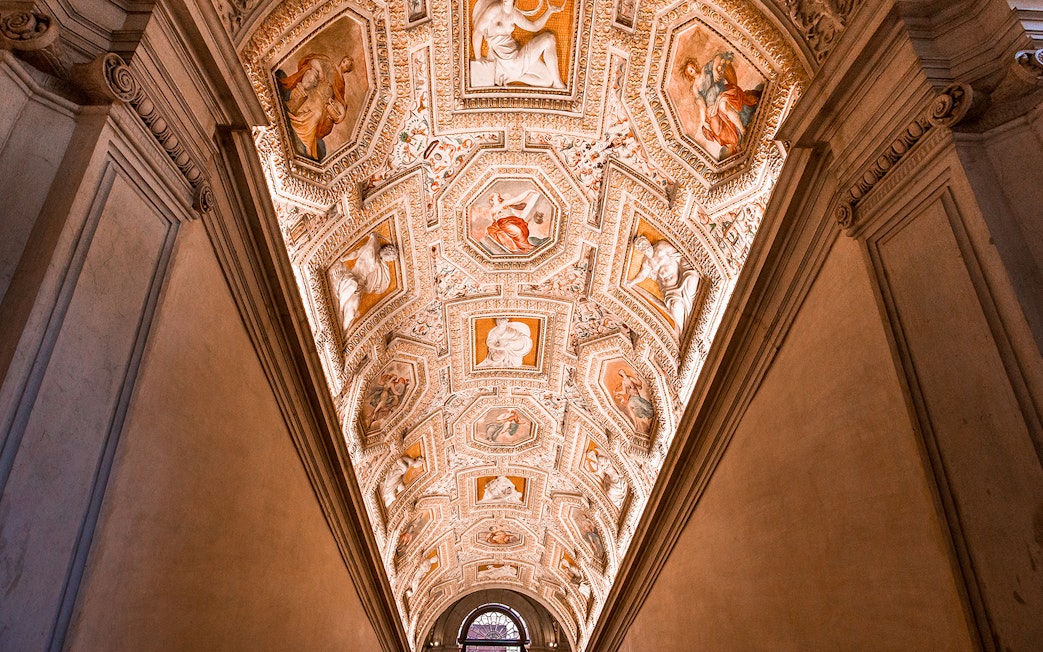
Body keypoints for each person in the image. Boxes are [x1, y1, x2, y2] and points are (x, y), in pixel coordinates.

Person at [681, 52, 762, 158]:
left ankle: (742, 129)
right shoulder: (695, 87)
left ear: (695, 64)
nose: (694, 69)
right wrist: (703, 121)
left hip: (722, 92)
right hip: (710, 104)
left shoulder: (706, 69)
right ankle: (734, 142)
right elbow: (701, 105)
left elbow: (718, 57)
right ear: (690, 75)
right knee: (716, 128)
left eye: (693, 66)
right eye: (691, 71)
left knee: (723, 107)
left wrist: (714, 69)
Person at [471, 0, 566, 88]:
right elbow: (478, 30)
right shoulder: (495, 8)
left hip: (515, 56)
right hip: (506, 59)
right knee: (549, 39)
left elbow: (534, 27)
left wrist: (549, 11)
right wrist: (478, 57)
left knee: (547, 80)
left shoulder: (514, 13)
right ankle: (558, 83)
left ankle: (511, 76)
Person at [278, 54, 355, 160]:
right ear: (342, 60)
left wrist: (342, 114)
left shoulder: (341, 83)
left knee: (318, 114)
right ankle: (297, 123)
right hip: (314, 90)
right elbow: (314, 61)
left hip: (323, 101)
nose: (345, 64)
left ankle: (308, 143)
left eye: (348, 65)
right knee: (308, 104)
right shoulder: (330, 65)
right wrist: (321, 72)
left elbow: (339, 99)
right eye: (345, 61)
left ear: (348, 70)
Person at [629, 235, 700, 335]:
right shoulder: (646, 262)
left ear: (647, 241)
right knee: (675, 306)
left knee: (694, 278)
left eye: (643, 243)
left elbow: (679, 256)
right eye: (640, 247)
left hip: (682, 279)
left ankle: (693, 314)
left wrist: (686, 268)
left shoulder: (661, 247)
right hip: (669, 291)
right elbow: (642, 275)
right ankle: (683, 332)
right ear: (640, 250)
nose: (643, 247)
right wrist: (631, 283)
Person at [613, 367, 654, 433]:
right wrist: (617, 392)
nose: (622, 372)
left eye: (622, 371)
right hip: (631, 397)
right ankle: (635, 423)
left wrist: (637, 377)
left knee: (643, 406)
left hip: (635, 395)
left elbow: (639, 384)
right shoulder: (623, 382)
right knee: (629, 406)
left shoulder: (630, 378)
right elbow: (624, 392)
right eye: (621, 372)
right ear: (621, 374)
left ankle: (647, 416)